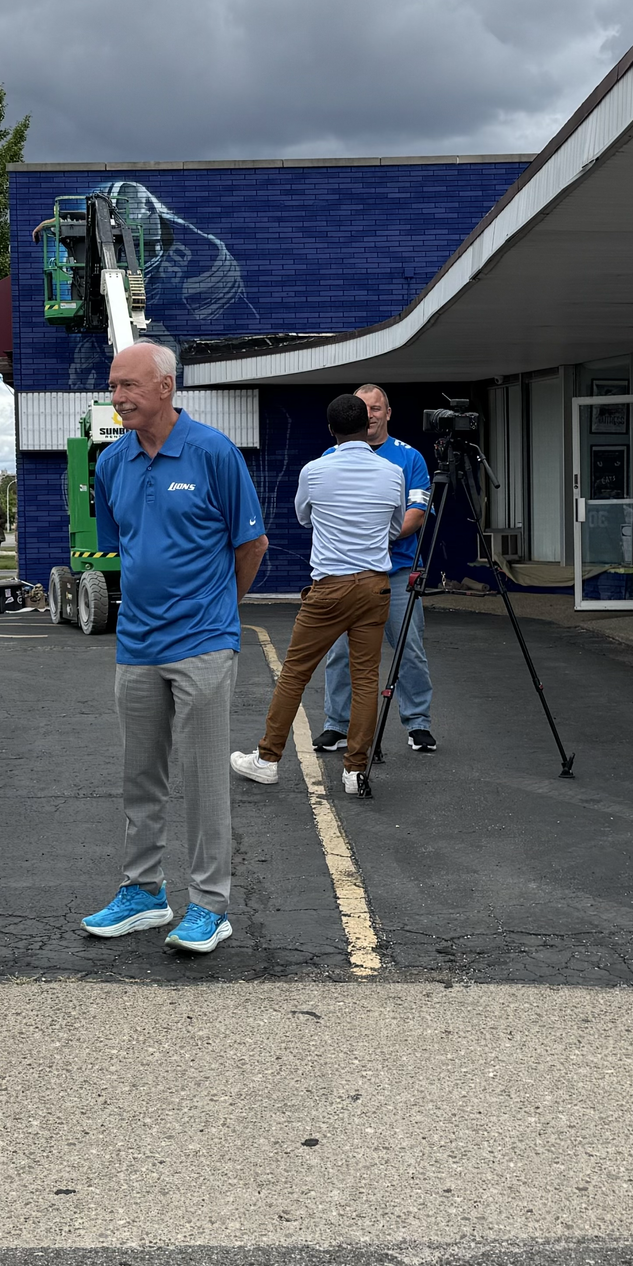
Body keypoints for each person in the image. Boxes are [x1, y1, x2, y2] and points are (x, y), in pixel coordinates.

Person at [77, 342, 267, 955]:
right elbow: (128, 548)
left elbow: (251, 546)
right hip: (136, 645)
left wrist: (220, 613)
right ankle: (145, 894)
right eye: (113, 386)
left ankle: (210, 905)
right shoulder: (111, 464)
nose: (118, 397)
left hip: (204, 644)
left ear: (166, 387)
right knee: (140, 776)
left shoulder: (213, 452)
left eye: (129, 386)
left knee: (203, 777)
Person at [231, 394, 406, 799]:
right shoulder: (393, 472)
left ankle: (268, 759)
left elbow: (304, 516)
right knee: (366, 679)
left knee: (295, 673)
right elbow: (395, 526)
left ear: (331, 430)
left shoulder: (314, 470)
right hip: (376, 585)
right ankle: (355, 771)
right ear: (369, 425)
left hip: (329, 587)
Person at [318, 383, 436, 755]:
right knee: (340, 652)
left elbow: (417, 513)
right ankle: (336, 725)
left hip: (397, 573)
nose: (370, 415)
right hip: (348, 574)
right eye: (363, 408)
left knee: (409, 649)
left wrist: (378, 540)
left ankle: (418, 723)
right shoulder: (330, 456)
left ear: (388, 413)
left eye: (376, 408)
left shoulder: (410, 458)